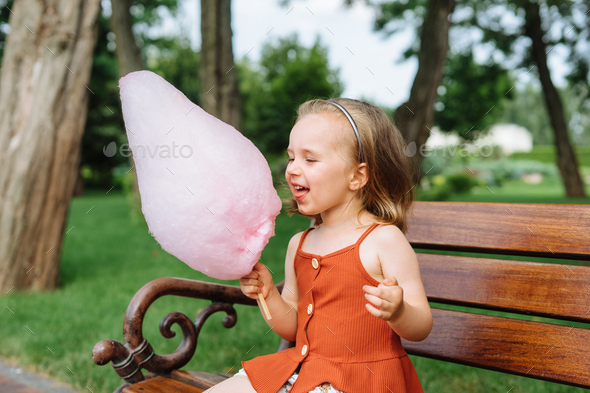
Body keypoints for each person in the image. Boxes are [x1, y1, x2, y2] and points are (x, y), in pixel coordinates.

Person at [204, 98, 432, 393]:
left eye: (310, 159)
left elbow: (422, 325)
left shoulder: (383, 240)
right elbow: (293, 327)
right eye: (291, 157)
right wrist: (268, 293)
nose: (293, 170)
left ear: (356, 176)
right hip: (303, 370)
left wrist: (399, 311)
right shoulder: (300, 243)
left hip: (362, 380)